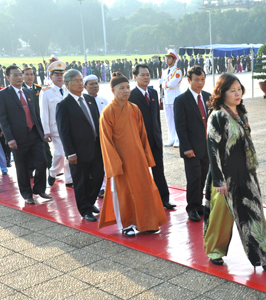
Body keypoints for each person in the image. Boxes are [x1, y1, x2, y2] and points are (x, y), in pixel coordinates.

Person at [203, 73, 266, 271]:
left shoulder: (241, 112)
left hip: (246, 173)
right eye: (232, 90)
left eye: (239, 89)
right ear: (222, 93)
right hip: (224, 175)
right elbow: (212, 149)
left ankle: (264, 255)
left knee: (255, 213)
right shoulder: (217, 116)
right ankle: (215, 251)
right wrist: (219, 180)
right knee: (221, 216)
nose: (237, 93)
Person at [98, 72, 167, 236]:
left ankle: (147, 223)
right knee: (124, 193)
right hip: (121, 161)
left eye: (127, 87)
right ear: (113, 91)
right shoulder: (107, 112)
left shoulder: (134, 108)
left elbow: (143, 135)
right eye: (121, 88)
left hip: (138, 159)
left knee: (144, 190)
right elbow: (106, 141)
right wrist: (115, 163)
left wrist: (147, 157)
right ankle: (126, 225)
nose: (126, 90)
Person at [0, 65, 50, 204]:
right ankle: (27, 194)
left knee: (42, 162)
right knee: (22, 167)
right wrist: (10, 138)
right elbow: (3, 119)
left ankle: (39, 189)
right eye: (15, 75)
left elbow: (36, 114)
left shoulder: (29, 92)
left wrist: (42, 132)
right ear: (7, 78)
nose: (19, 77)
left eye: (20, 74)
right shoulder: (2, 95)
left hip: (34, 135)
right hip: (17, 138)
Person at [56, 69, 103, 222]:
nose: (80, 83)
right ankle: (85, 210)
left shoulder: (89, 98)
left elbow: (97, 122)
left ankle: (90, 202)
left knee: (98, 176)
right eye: (76, 81)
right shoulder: (64, 105)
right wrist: (70, 152)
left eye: (81, 80)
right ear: (67, 84)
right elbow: (64, 132)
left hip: (96, 146)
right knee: (81, 181)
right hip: (78, 150)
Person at [130, 64, 176, 209]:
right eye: (142, 75)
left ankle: (164, 199)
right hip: (140, 141)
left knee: (159, 171)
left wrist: (159, 136)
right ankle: (145, 202)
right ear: (135, 77)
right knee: (142, 174)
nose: (146, 77)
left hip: (155, 140)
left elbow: (156, 117)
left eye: (148, 75)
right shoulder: (131, 95)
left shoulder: (153, 93)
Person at [174, 65, 210, 222]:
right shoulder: (181, 100)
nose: (200, 83)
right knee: (194, 178)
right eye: (196, 80)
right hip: (191, 149)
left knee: (203, 178)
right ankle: (192, 208)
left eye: (202, 80)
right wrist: (187, 147)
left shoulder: (208, 97)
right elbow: (180, 127)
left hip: (207, 148)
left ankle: (199, 204)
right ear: (189, 80)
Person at [40, 61, 73, 188]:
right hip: (55, 129)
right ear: (51, 76)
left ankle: (69, 179)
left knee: (70, 154)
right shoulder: (46, 92)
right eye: (56, 74)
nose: (59, 77)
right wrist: (46, 131)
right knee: (60, 154)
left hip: (69, 128)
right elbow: (44, 113)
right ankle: (53, 173)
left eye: (61, 74)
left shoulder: (68, 90)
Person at [23, 67, 53, 176]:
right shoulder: (20, 89)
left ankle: (51, 167)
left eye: (32, 74)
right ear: (22, 76)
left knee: (45, 146)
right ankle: (30, 169)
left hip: (40, 123)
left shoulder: (39, 89)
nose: (30, 76)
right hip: (28, 123)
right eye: (27, 74)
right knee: (29, 147)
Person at [160, 49, 183, 147]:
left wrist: (164, 84)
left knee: (177, 119)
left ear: (174, 60)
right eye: (166, 58)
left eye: (169, 58)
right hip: (167, 98)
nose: (167, 60)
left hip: (175, 97)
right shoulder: (165, 71)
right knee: (169, 120)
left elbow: (172, 83)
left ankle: (178, 139)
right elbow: (162, 84)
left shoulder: (177, 71)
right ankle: (171, 138)